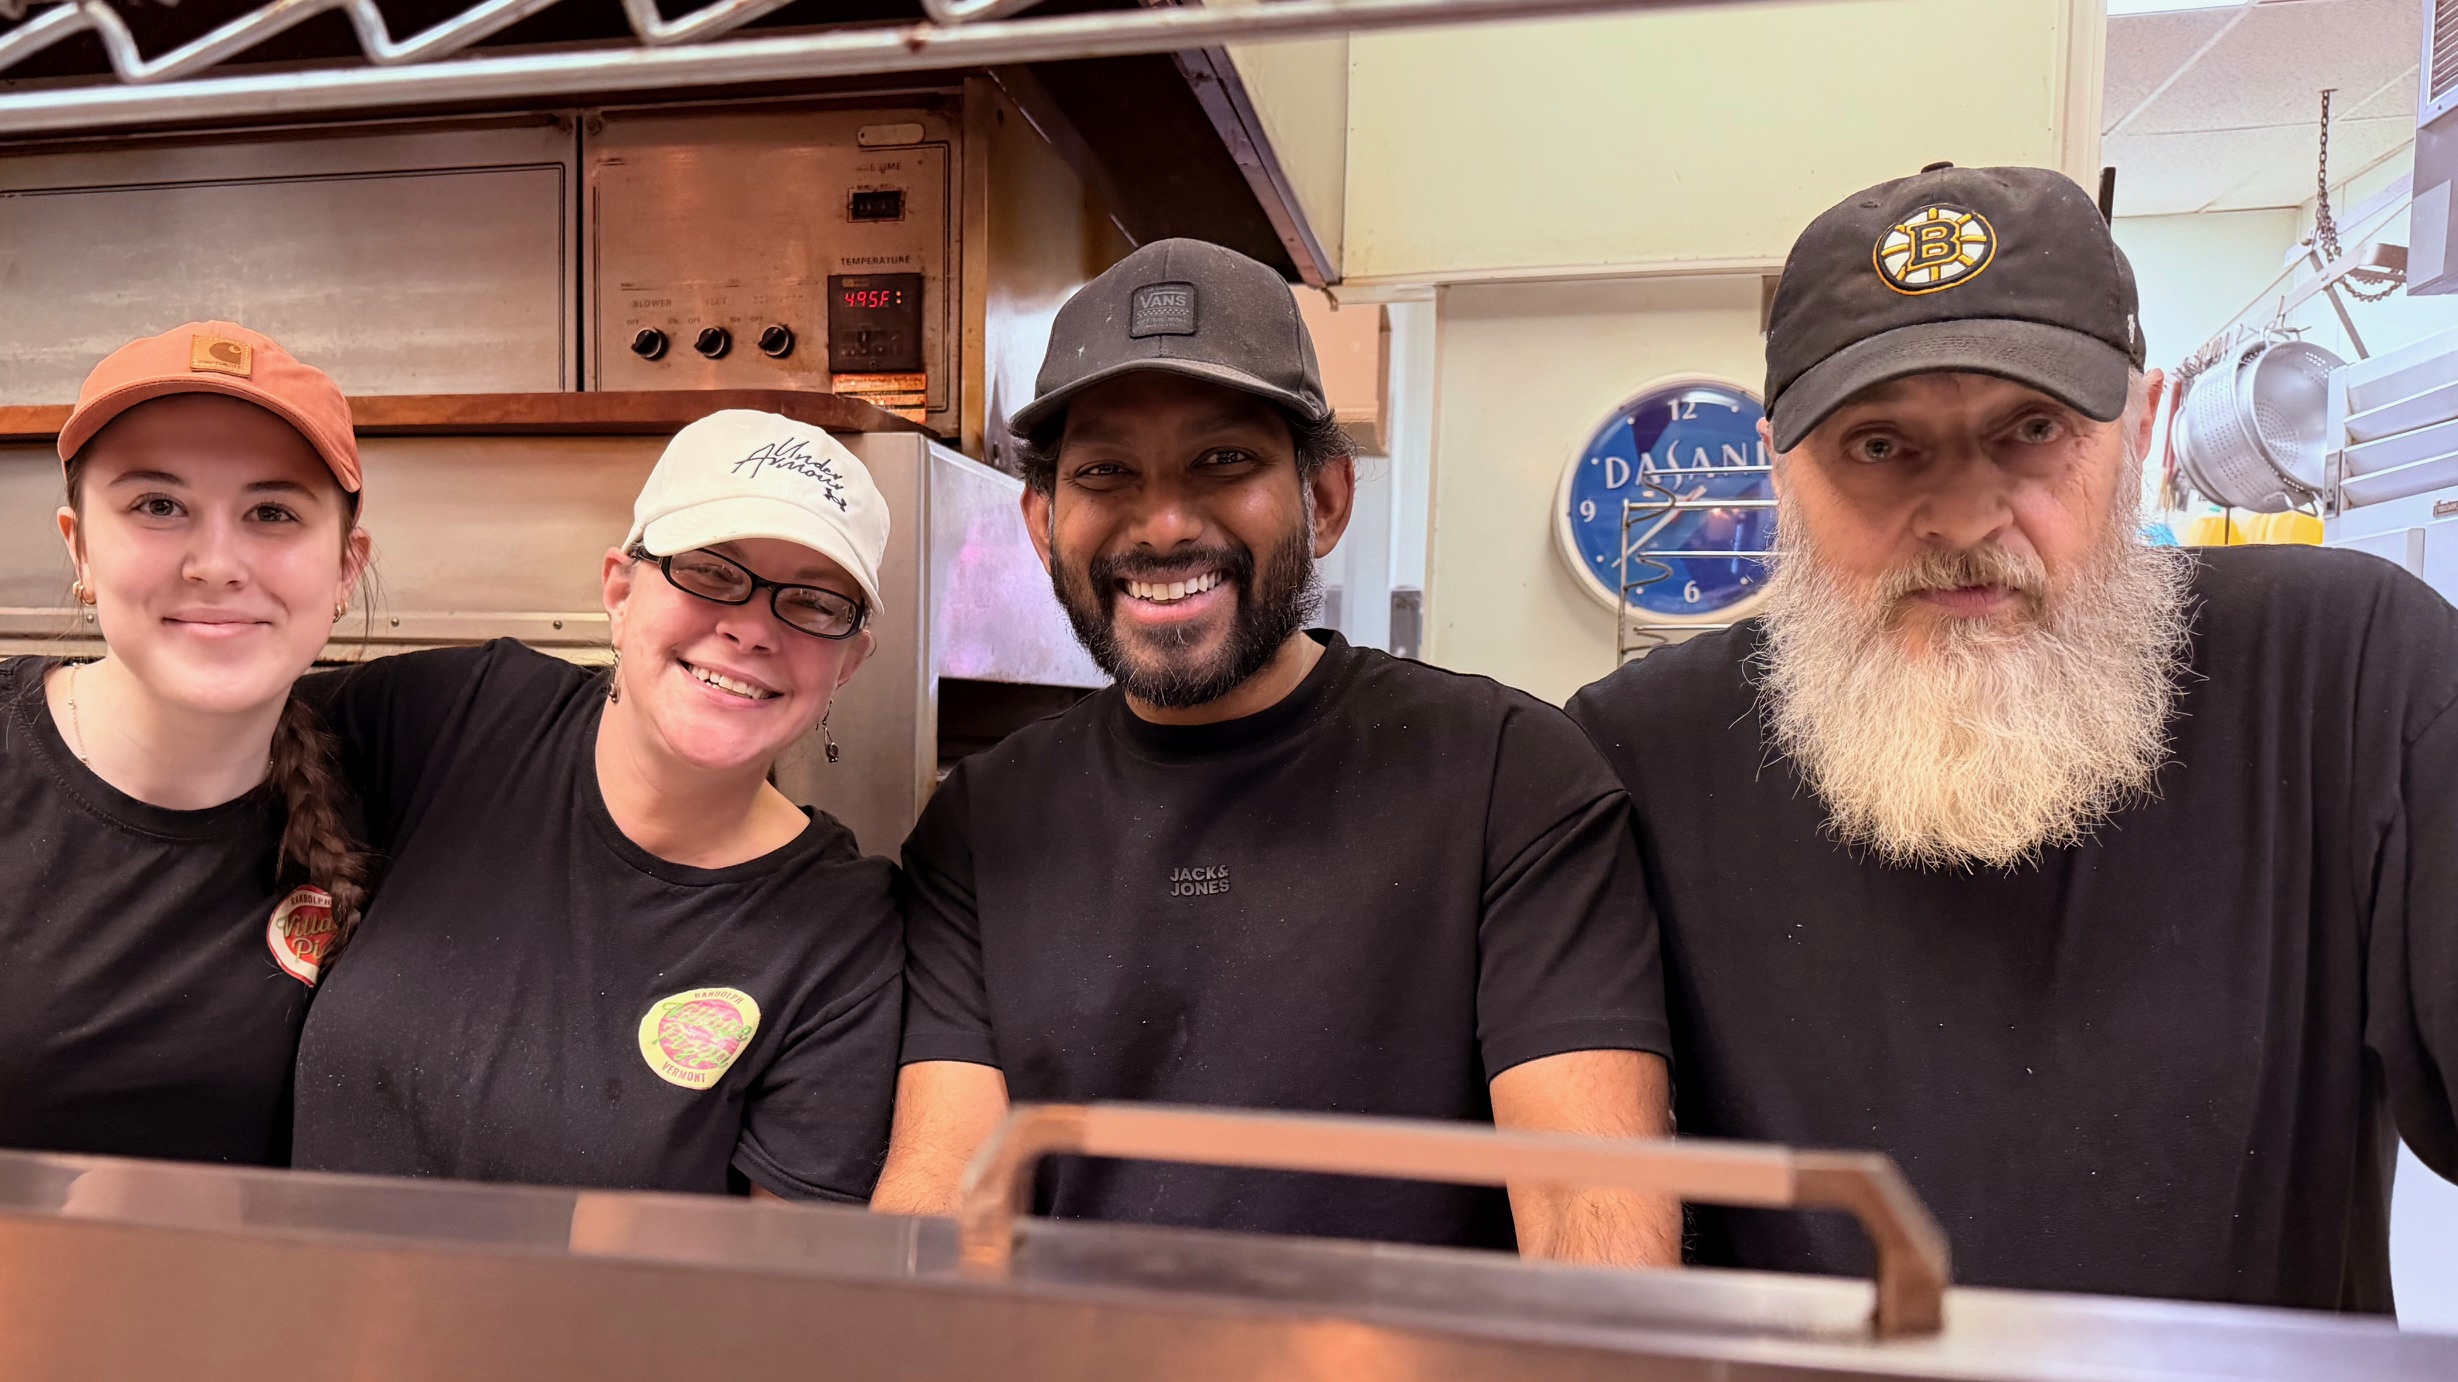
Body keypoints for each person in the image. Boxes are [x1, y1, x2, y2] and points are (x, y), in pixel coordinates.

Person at [1567, 164, 2458, 1311]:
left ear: (2136, 428)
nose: (1962, 515)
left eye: (2029, 430)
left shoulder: (2345, 673)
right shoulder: (1642, 752)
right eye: (1881, 447)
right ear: (1783, 471)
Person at [873, 239, 1678, 1263]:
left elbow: (1590, 1223)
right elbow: (940, 1190)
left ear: (1325, 500)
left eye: (1224, 460)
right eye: (1106, 472)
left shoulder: (1511, 778)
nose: (1162, 524)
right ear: (1043, 524)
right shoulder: (982, 823)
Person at [290, 410, 902, 1203]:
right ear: (618, 587)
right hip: (298, 1317)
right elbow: (197, 761)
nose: (752, 629)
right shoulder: (462, 717)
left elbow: (781, 1288)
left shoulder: (842, 935)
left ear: (849, 661)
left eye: (816, 603)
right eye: (713, 570)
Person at [0, 321, 371, 1165]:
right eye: (157, 506)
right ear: (79, 546)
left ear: (347, 567)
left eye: (272, 511)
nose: (216, 562)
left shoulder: (409, 768)